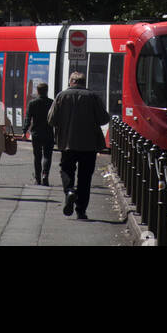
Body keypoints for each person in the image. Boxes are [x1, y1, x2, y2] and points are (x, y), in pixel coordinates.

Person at [47, 71, 109, 221]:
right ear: (83, 82)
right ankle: (81, 210)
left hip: (68, 143)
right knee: (85, 178)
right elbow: (103, 119)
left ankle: (69, 191)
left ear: (71, 82)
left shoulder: (61, 96)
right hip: (89, 145)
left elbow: (51, 119)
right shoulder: (93, 97)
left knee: (67, 169)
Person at [24, 80, 54, 185]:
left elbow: (28, 118)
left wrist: (24, 130)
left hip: (36, 133)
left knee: (37, 156)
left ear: (37, 91)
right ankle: (45, 175)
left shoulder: (32, 103)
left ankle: (37, 178)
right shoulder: (52, 102)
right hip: (49, 132)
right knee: (47, 156)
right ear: (46, 91)